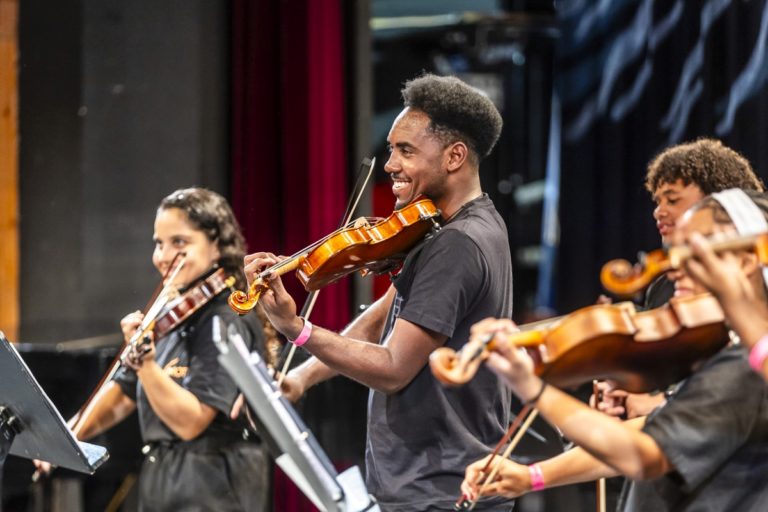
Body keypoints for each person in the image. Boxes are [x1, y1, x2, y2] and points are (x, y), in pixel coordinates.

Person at [244, 74, 514, 511]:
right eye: (392, 149)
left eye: (406, 150)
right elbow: (382, 317)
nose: (390, 164)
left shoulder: (457, 244)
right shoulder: (461, 227)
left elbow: (393, 368)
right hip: (433, 488)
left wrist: (296, 328)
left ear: (454, 156)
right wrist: (301, 376)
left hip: (438, 493)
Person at [461, 188, 768, 511]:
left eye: (696, 251)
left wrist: (532, 388)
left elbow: (643, 454)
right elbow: (651, 431)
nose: (674, 268)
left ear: (747, 259)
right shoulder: (726, 352)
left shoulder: (745, 365)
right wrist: (534, 476)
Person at [35, 188, 272, 512]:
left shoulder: (225, 319)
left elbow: (192, 422)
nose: (163, 256)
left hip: (214, 484)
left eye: (179, 242)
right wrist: (64, 437)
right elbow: (124, 392)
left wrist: (147, 366)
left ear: (216, 245)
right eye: (159, 243)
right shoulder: (172, 316)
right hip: (166, 477)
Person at [596, 138, 764, 419]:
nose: (658, 211)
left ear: (719, 201)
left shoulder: (757, 282)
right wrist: (623, 398)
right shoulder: (664, 288)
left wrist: (661, 404)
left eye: (672, 200)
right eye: (657, 201)